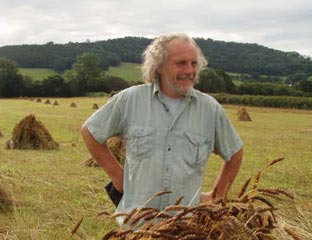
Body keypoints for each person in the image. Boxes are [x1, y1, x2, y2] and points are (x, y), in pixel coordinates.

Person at [81, 33, 243, 220]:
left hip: (184, 230)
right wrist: (117, 176)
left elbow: (235, 152)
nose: (190, 70)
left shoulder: (210, 109)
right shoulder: (130, 100)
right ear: (159, 66)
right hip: (135, 226)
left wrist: (218, 195)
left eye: (194, 63)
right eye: (181, 63)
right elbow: (90, 131)